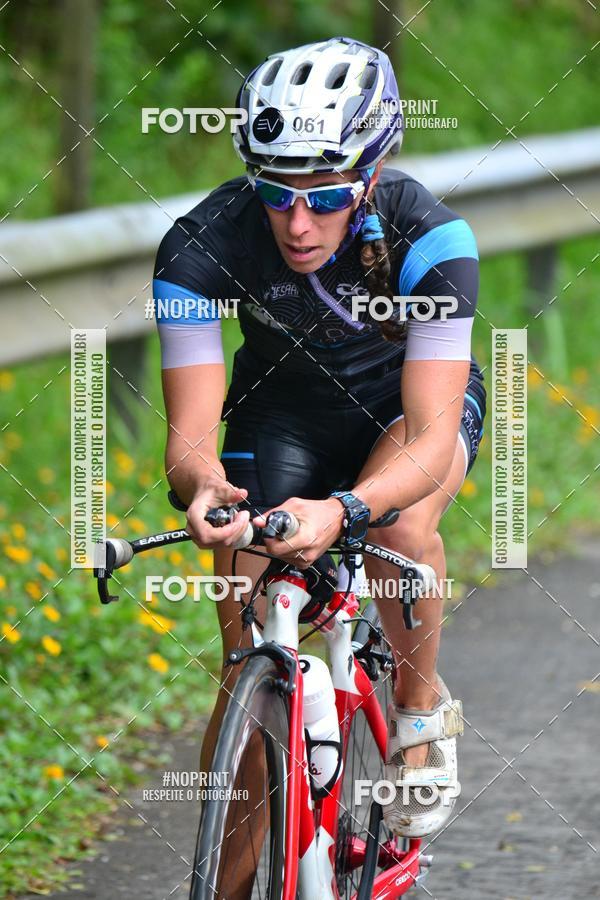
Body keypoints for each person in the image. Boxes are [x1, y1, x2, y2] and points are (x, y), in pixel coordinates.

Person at [153, 34, 485, 879]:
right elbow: (189, 442)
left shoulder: (433, 240)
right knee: (249, 680)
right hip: (281, 417)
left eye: (328, 194)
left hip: (404, 412)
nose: (299, 224)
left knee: (400, 529)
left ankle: (415, 718)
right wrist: (204, 490)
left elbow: (433, 430)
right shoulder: (202, 247)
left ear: (369, 177)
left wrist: (344, 511)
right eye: (276, 192)